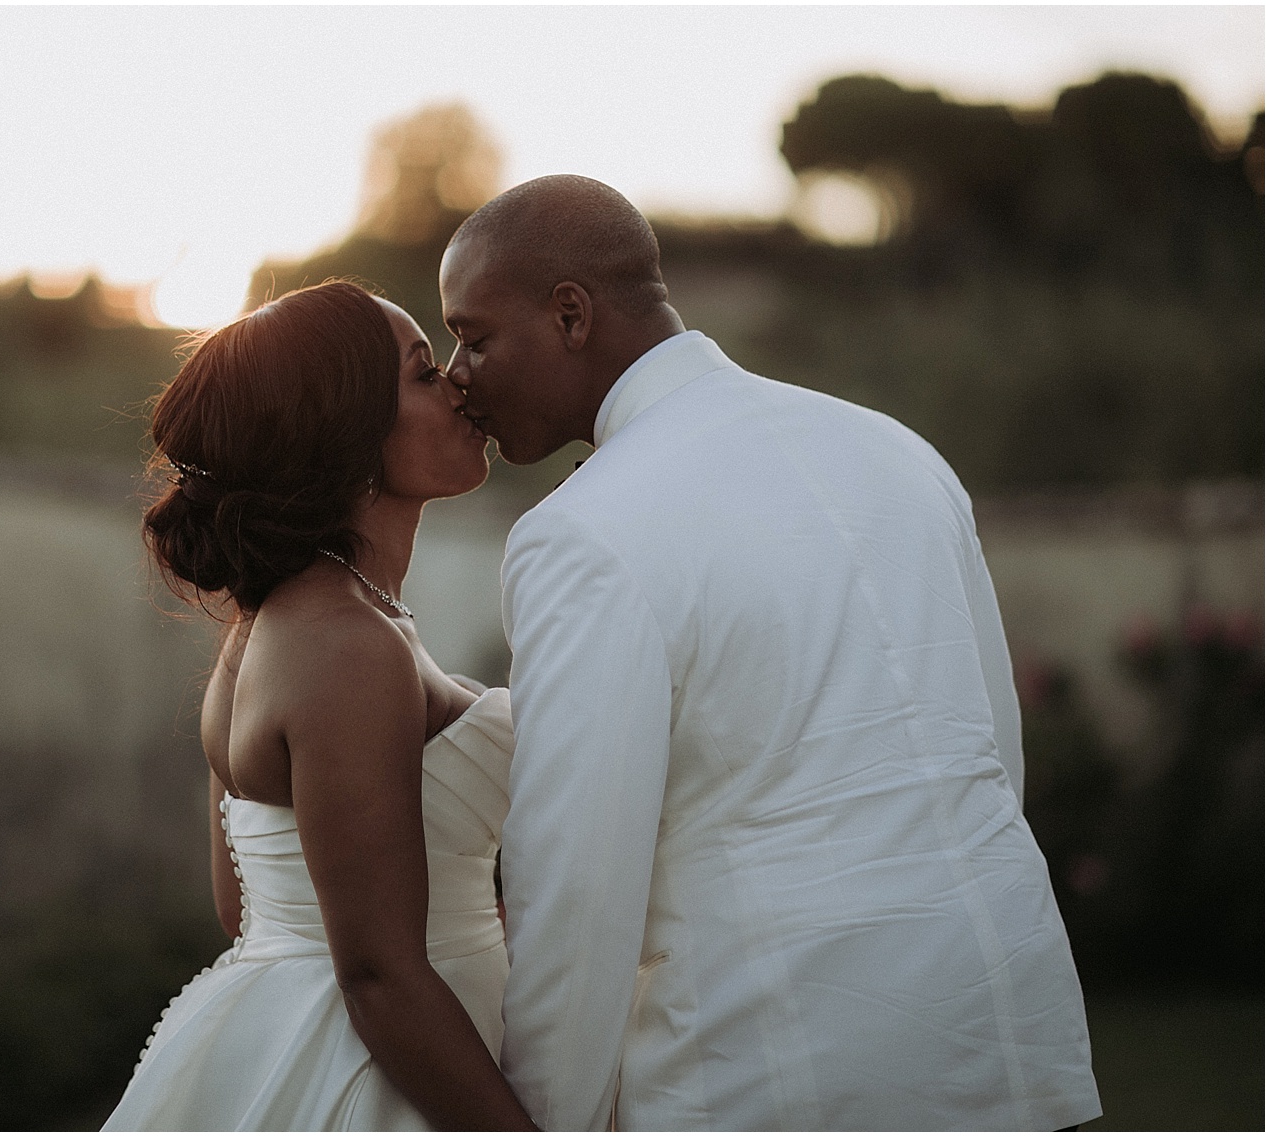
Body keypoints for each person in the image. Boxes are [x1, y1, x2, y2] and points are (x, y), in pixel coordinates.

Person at [439, 175, 1102, 1131]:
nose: (461, 372)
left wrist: (549, 1117)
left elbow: (578, 889)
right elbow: (994, 756)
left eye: (474, 335)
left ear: (571, 314)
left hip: (778, 1073)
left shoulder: (583, 534)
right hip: (1012, 1033)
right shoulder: (900, 453)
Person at [100, 281, 536, 1131]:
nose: (456, 384)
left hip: (311, 1035)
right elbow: (376, 970)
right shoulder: (345, 645)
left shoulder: (283, 622)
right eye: (419, 372)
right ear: (346, 432)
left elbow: (246, 906)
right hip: (378, 1074)